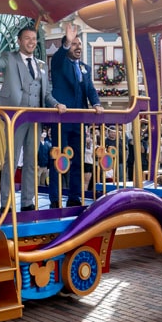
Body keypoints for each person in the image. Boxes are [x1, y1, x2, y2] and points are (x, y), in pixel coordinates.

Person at [0, 27, 65, 211]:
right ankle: (6, 203)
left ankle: (28, 202)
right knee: (11, 161)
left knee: (31, 161)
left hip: (35, 118)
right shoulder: (10, 57)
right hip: (15, 117)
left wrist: (56, 104)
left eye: (34, 39)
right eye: (27, 38)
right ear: (19, 41)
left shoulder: (41, 65)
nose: (31, 42)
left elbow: (46, 93)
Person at [48, 23, 103, 207]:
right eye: (74, 44)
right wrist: (66, 43)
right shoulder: (59, 64)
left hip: (80, 122)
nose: (78, 47)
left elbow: (90, 89)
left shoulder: (85, 68)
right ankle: (55, 199)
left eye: (79, 44)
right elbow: (56, 59)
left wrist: (96, 104)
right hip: (62, 119)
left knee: (78, 160)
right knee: (58, 158)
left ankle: (74, 196)